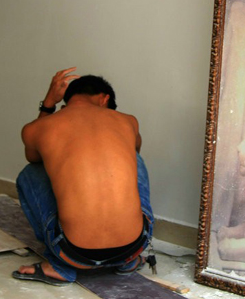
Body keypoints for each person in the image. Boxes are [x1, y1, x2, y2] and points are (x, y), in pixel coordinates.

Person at [12, 67, 154, 286]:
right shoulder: (128, 121)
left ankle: (58, 267)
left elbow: (35, 157)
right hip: (134, 246)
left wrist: (48, 103)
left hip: (72, 253)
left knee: (31, 172)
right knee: (135, 158)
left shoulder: (38, 128)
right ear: (105, 99)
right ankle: (128, 262)